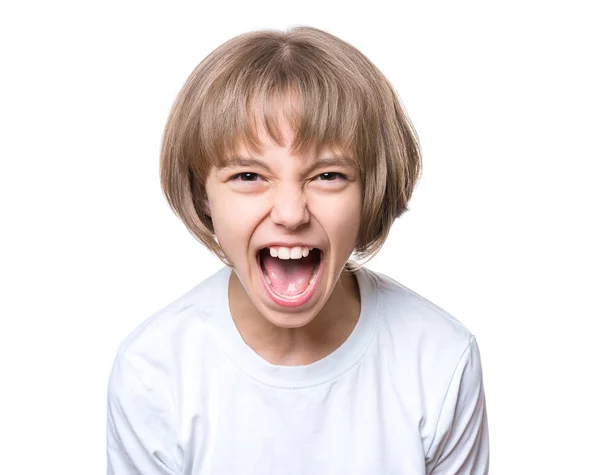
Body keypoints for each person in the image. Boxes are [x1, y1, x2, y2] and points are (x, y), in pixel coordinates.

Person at [106, 26, 489, 474]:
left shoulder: (440, 359)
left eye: (328, 176)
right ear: (203, 195)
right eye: (249, 176)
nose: (291, 213)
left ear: (370, 192)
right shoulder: (153, 372)